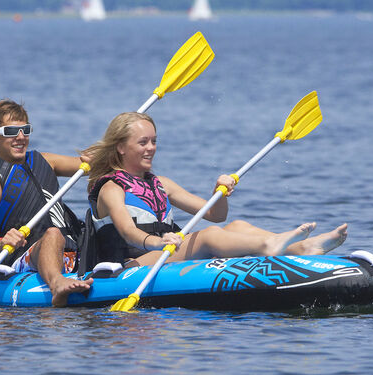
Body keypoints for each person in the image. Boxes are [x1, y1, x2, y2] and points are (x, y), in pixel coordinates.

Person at [82, 111, 348, 268]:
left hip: (165, 253)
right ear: (120, 147)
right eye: (143, 142)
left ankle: (302, 247)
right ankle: (269, 245)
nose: (151, 147)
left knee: (237, 226)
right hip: (132, 265)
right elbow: (128, 232)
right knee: (208, 237)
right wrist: (158, 241)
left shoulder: (160, 183)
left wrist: (218, 192)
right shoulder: (111, 187)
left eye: (154, 141)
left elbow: (216, 215)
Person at [0, 99, 92, 307]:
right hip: (20, 258)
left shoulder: (45, 161)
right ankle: (57, 284)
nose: (21, 137)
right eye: (10, 132)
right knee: (52, 233)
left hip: (67, 251)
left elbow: (90, 165)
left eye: (25, 129)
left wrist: (112, 150)